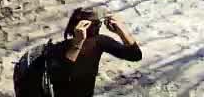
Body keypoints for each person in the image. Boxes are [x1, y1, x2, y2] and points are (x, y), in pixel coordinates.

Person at [14, 7, 143, 97]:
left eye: (98, 24)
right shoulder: (59, 50)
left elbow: (135, 55)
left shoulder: (100, 42)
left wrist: (122, 32)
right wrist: (78, 42)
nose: (96, 27)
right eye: (92, 24)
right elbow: (62, 73)